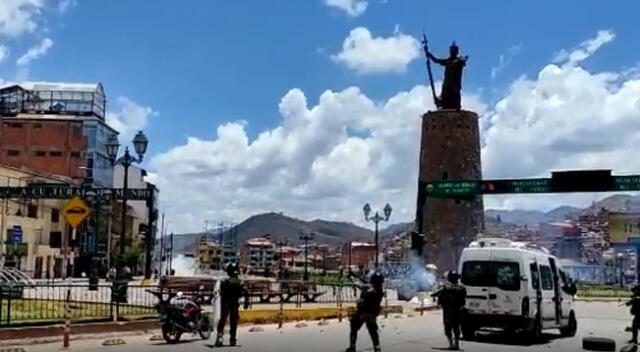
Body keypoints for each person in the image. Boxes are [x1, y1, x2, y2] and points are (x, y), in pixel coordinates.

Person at [346, 271, 385, 352]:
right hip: (372, 313)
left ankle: (352, 347)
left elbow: (360, 285)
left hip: (363, 312)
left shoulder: (370, 289)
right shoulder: (380, 290)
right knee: (373, 330)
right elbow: (365, 282)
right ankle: (377, 347)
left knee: (354, 326)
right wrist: (355, 275)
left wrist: (352, 278)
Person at [215, 263, 249, 347]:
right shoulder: (240, 282)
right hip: (234, 304)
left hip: (225, 304)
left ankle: (219, 337)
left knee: (222, 320)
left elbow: (218, 293)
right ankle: (232, 339)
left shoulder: (224, 281)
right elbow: (246, 292)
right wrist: (246, 303)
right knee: (233, 322)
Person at [431, 271, 467, 350]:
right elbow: (464, 299)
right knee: (456, 328)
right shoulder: (462, 287)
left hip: (448, 311)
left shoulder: (445, 287)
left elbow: (434, 294)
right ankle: (456, 344)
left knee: (448, 328)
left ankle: (451, 344)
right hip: (457, 311)